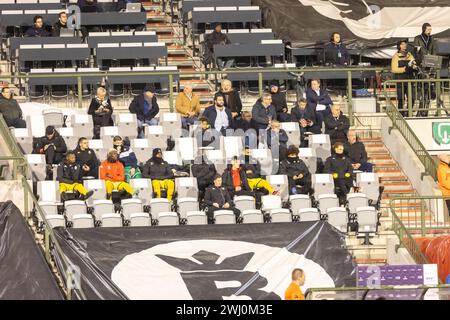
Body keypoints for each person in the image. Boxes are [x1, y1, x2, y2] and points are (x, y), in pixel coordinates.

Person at [391, 39, 418, 117]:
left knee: (412, 98)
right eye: (402, 44)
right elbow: (394, 69)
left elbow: (414, 63)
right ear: (399, 46)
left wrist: (414, 66)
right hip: (400, 80)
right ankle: (401, 114)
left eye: (405, 44)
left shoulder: (409, 55)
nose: (404, 45)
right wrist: (404, 69)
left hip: (410, 79)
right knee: (401, 99)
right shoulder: (395, 56)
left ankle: (408, 112)